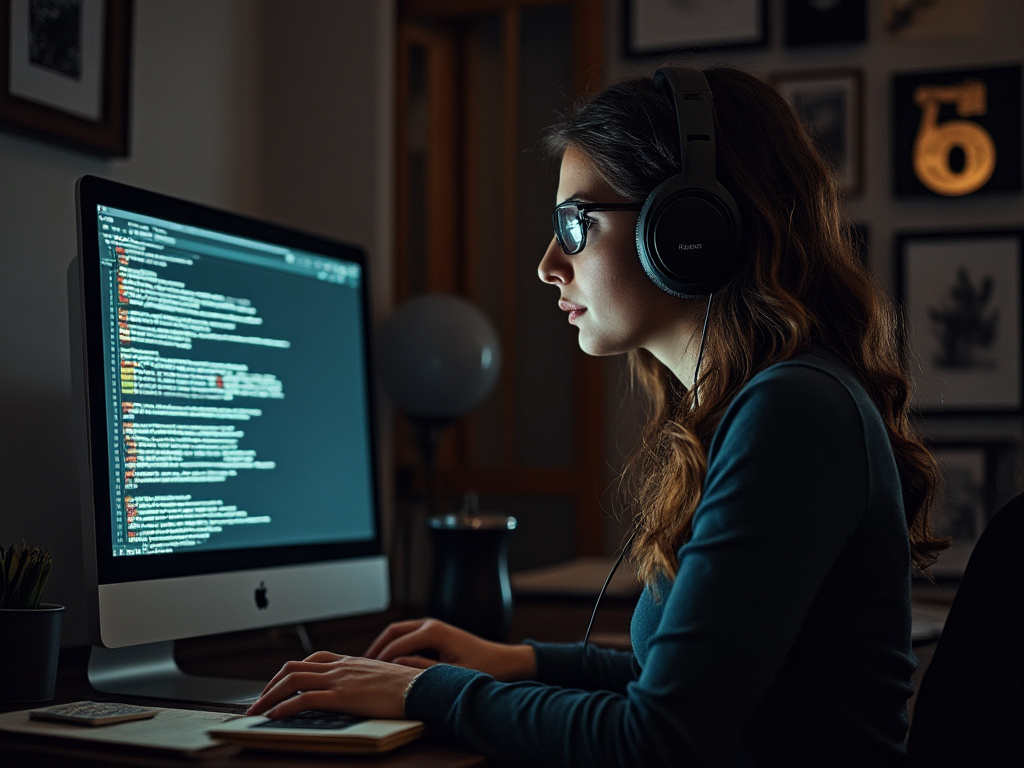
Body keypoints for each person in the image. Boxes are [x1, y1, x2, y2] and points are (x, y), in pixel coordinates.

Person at [246, 66, 945, 767]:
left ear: (687, 227)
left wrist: (427, 692)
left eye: (575, 224)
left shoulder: (793, 411)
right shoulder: (776, 403)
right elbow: (686, 686)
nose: (549, 263)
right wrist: (514, 659)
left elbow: (657, 736)